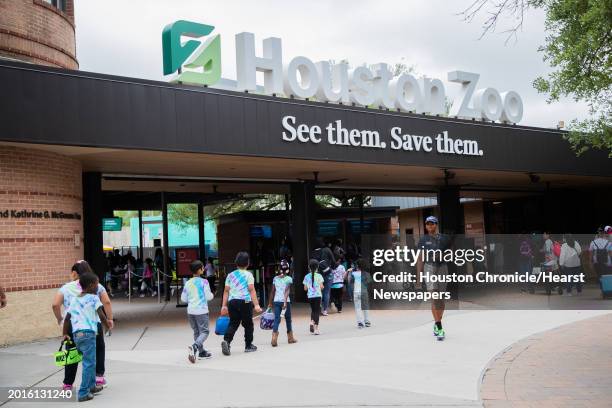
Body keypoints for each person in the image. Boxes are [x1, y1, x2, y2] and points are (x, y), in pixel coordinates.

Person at [52, 261, 114, 391]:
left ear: (75, 272)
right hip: (92, 326)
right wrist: (109, 319)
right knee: (97, 351)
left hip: (72, 326)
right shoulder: (96, 285)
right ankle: (98, 379)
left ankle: (68, 384)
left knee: (72, 353)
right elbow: (107, 302)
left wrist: (60, 319)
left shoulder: (66, 288)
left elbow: (55, 305)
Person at [62, 272, 111, 402]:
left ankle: (91, 386)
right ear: (90, 286)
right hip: (89, 334)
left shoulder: (75, 299)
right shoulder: (93, 298)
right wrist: (108, 325)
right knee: (89, 363)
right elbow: (101, 315)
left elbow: (67, 319)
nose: (98, 286)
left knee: (88, 361)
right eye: (96, 284)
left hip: (76, 335)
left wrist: (65, 333)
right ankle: (83, 392)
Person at [416, 216, 451, 341]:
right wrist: (418, 278)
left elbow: (450, 254)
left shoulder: (445, 238)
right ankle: (439, 327)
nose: (429, 226)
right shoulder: (423, 240)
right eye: (427, 224)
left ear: (436, 225)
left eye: (432, 224)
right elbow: (420, 259)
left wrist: (442, 255)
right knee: (434, 298)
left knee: (441, 300)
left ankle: (437, 322)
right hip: (429, 267)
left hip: (442, 268)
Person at [220, 252, 262, 356]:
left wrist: (224, 306)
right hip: (245, 301)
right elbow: (251, 290)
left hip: (232, 302)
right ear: (248, 263)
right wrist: (256, 305)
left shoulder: (230, 275)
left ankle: (227, 341)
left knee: (233, 323)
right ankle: (248, 345)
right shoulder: (249, 275)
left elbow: (226, 291)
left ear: (236, 263)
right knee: (248, 324)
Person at [181, 260, 214, 363]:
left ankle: (201, 352)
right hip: (201, 310)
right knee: (204, 331)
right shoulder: (204, 282)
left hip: (191, 311)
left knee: (196, 332)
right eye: (203, 268)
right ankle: (195, 346)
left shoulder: (188, 283)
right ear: (200, 270)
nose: (203, 269)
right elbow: (209, 297)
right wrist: (213, 294)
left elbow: (184, 299)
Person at [267, 260, 297, 347]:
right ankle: (290, 338)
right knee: (288, 319)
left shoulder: (275, 279)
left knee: (277, 319)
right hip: (285, 302)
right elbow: (287, 291)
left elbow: (272, 291)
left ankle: (274, 339)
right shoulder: (289, 279)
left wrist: (270, 303)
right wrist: (284, 303)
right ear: (288, 270)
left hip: (276, 301)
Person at [311, 238, 335, 316]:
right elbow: (333, 261)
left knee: (318, 292)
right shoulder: (327, 250)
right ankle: (325, 310)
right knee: (327, 292)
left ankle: (319, 309)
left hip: (318, 274)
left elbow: (311, 265)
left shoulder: (313, 253)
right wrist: (331, 267)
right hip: (328, 272)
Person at [303, 259, 325, 335]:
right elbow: (322, 287)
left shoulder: (306, 276)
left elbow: (305, 288)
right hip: (318, 295)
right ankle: (315, 329)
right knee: (317, 311)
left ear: (309, 267)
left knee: (313, 310)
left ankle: (312, 321)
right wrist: (321, 287)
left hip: (310, 296)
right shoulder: (319, 276)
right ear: (317, 267)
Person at [350, 258, 372, 328]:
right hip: (364, 292)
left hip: (356, 292)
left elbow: (350, 281)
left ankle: (360, 322)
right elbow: (369, 282)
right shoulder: (367, 274)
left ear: (357, 266)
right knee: (365, 307)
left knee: (358, 307)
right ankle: (367, 321)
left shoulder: (354, 273)